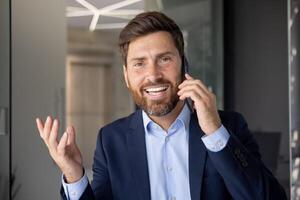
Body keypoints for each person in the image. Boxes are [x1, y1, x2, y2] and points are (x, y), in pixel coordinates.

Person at [36, 11, 287, 200]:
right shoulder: (110, 140)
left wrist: (215, 133)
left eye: (164, 59)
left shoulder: (229, 126)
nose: (153, 75)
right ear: (126, 75)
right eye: (139, 63)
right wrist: (74, 176)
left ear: (183, 65)